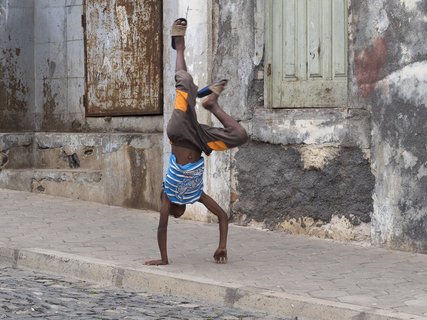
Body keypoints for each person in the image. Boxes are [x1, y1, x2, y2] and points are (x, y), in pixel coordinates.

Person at [144, 18, 248, 266]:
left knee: (185, 84)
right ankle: (211, 103)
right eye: (175, 215)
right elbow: (222, 216)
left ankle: (178, 46)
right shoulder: (196, 195)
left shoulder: (168, 195)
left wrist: (163, 259)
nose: (175, 215)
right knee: (240, 135)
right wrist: (222, 246)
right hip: (201, 142)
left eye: (173, 215)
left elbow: (161, 228)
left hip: (180, 133)